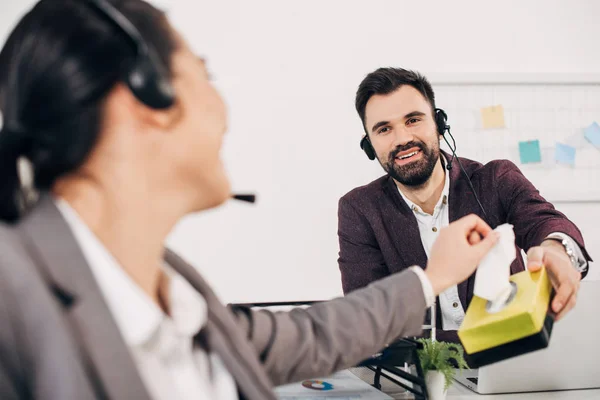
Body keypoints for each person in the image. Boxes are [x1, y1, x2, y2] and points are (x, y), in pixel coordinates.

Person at [0, 1, 500, 399]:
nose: (224, 111)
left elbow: (316, 333)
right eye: (206, 75)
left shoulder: (179, 293)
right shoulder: (12, 300)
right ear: (144, 97)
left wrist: (434, 277)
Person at [338, 67, 592, 343]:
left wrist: (557, 249)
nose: (402, 139)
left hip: (513, 367)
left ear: (439, 123)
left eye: (413, 120)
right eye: (384, 129)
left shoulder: (495, 179)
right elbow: (367, 318)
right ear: (369, 145)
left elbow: (544, 220)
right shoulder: (360, 209)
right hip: (423, 377)